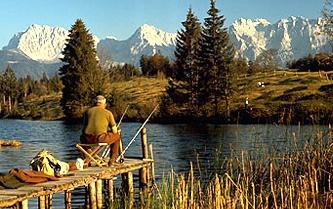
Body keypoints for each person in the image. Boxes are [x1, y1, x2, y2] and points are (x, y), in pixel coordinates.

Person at [81, 95, 121, 166]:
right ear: (104, 104)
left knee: (82, 137)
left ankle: (87, 160)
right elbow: (114, 130)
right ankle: (112, 160)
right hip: (100, 138)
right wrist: (112, 132)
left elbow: (84, 127)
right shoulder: (108, 113)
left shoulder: (87, 112)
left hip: (86, 139)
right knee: (117, 136)